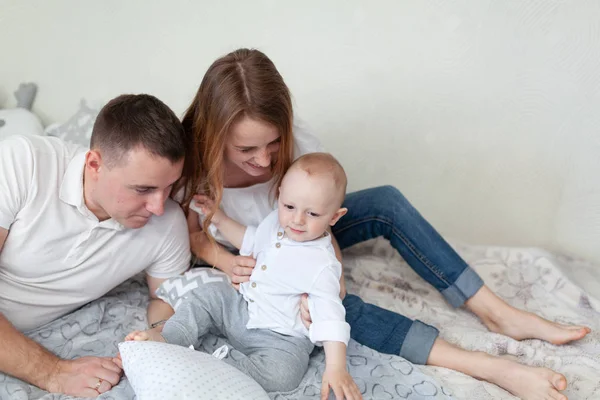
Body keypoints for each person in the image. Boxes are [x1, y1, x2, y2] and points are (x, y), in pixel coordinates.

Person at [175, 48, 591, 400]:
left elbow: (322, 212)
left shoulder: (296, 142)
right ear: (215, 135)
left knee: (385, 203)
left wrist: (332, 268)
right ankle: (487, 367)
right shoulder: (188, 160)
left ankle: (497, 312)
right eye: (247, 149)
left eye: (273, 144)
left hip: (308, 232)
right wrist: (224, 260)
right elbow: (184, 236)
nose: (265, 161)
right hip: (256, 256)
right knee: (333, 313)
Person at [0, 94, 192, 397]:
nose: (158, 205)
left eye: (169, 187)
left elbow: (165, 299)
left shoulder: (168, 224)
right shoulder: (22, 162)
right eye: (143, 189)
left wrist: (156, 334)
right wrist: (53, 372)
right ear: (94, 164)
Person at [128, 153, 362, 399]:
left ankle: (215, 368)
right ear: (280, 195)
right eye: (290, 207)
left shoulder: (322, 265)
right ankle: (169, 337)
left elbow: (331, 318)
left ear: (334, 216)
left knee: (283, 375)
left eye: (312, 214)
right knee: (208, 296)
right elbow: (249, 240)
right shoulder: (275, 223)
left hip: (281, 340)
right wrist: (218, 217)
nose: (297, 220)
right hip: (242, 309)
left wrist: (336, 367)